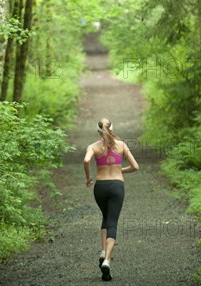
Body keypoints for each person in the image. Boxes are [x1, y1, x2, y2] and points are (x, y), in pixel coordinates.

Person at [83, 118, 139, 281]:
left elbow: (86, 160)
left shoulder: (93, 146)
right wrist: (120, 170)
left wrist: (88, 178)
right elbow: (135, 167)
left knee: (106, 217)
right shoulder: (121, 145)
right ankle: (107, 260)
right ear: (112, 129)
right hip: (116, 186)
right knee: (112, 222)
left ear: (98, 131)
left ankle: (102, 251)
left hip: (100, 187)